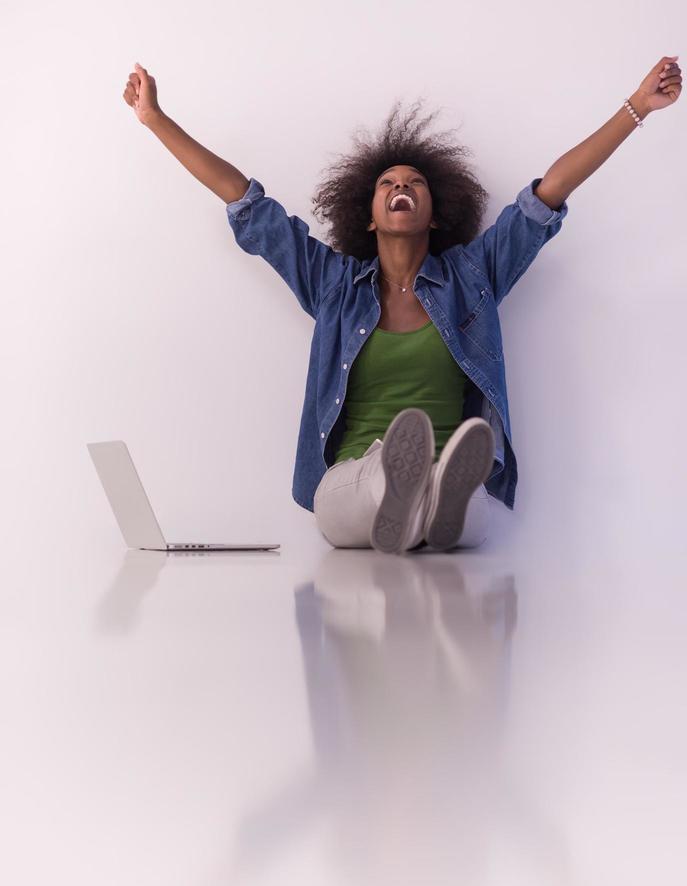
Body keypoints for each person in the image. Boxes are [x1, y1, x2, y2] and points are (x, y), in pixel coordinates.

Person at [122, 56, 681, 554]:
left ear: (435, 213)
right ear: (368, 214)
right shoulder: (332, 283)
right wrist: (156, 120)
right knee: (365, 490)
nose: (400, 188)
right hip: (352, 474)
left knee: (468, 518)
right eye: (387, 183)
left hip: (446, 472)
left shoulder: (473, 276)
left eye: (414, 183)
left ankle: (436, 496)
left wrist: (637, 107)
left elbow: (548, 194)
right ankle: (400, 490)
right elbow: (246, 201)